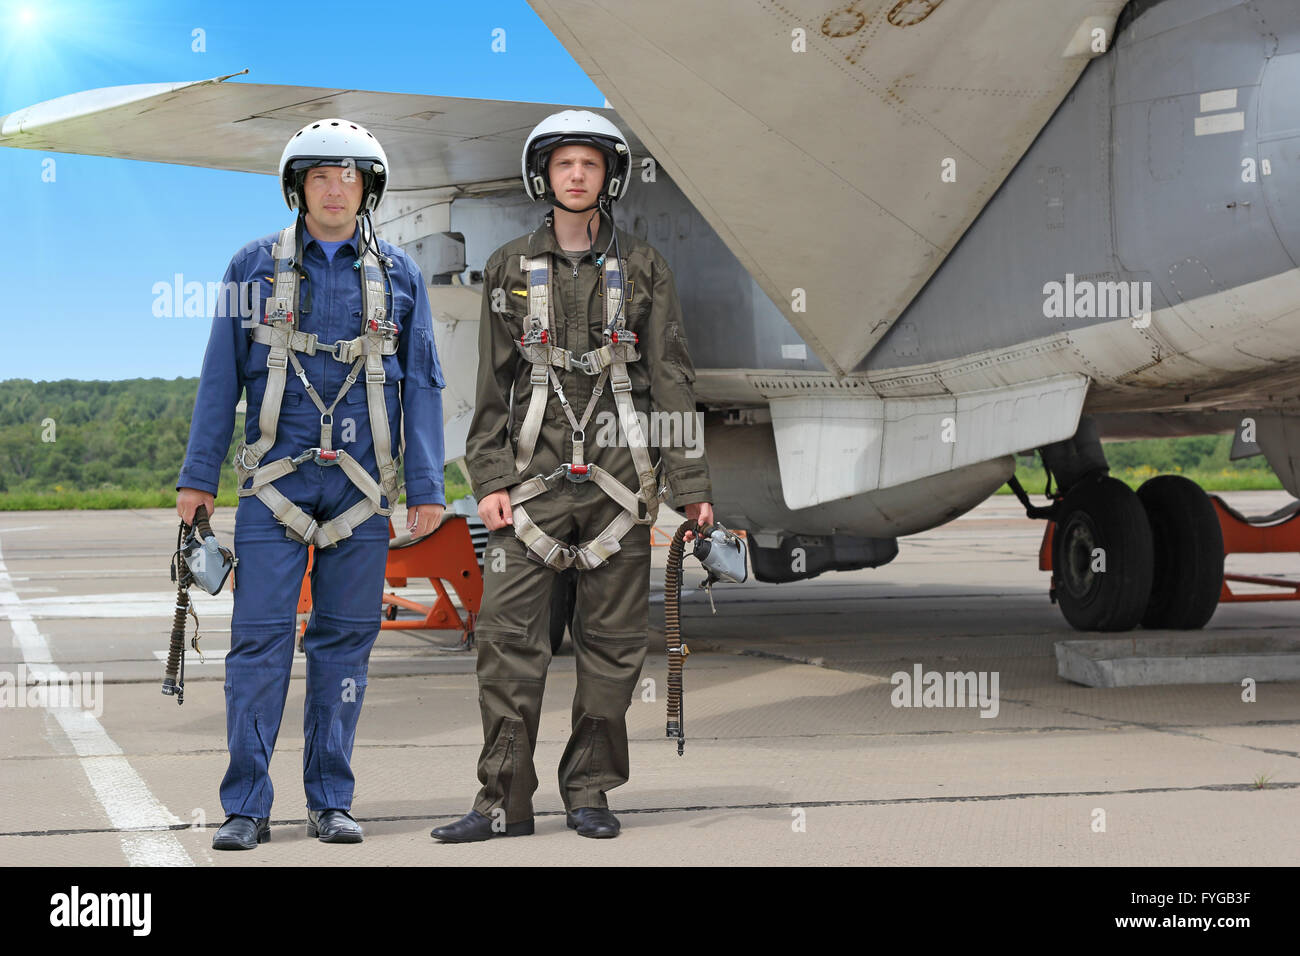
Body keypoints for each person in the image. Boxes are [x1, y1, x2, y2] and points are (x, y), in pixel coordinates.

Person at [430, 110, 713, 842]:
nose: (577, 175)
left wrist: (692, 489)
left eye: (589, 164)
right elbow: (491, 384)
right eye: (565, 165)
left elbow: (673, 381)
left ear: (608, 177)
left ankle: (590, 791)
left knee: (613, 651)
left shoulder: (646, 269)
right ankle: (502, 802)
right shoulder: (506, 272)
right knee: (507, 643)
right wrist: (488, 478)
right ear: (545, 178)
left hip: (622, 488)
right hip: (531, 487)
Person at [176, 118, 446, 849]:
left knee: (345, 647)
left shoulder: (400, 276)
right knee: (259, 643)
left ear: (369, 189)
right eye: (322, 176)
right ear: (299, 187)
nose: (336, 189)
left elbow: (421, 383)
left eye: (349, 177)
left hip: (360, 491)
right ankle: (245, 808)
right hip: (274, 487)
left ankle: (331, 798)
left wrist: (427, 488)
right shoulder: (251, 268)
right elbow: (219, 376)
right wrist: (197, 478)